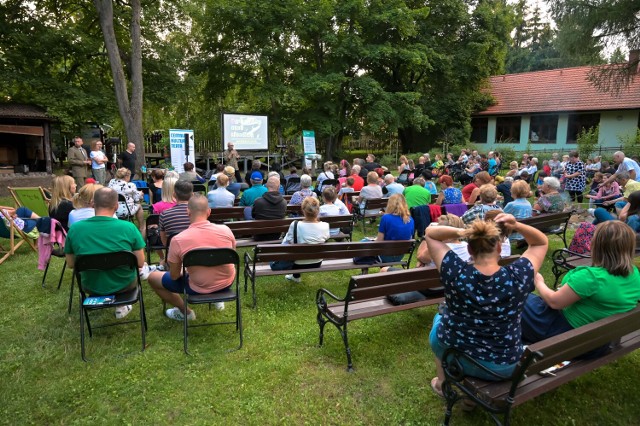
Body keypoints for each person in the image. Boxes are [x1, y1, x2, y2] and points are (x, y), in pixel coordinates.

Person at [427, 213, 548, 395]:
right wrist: (516, 225)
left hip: (455, 352)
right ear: (499, 248)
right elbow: (540, 242)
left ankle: (442, 384)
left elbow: (430, 233)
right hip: (502, 365)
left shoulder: (455, 271)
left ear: (469, 249)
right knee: (442, 320)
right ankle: (466, 396)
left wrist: (464, 230)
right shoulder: (519, 275)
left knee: (439, 319)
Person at [521, 221, 640, 347]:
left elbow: (554, 302)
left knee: (513, 298)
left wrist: (539, 282)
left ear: (597, 245)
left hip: (567, 337)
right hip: (599, 341)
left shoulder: (591, 277)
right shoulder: (634, 273)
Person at [147, 194, 237, 320]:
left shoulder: (178, 239)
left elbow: (174, 276)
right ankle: (217, 298)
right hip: (226, 282)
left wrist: (186, 267)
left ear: (187, 211)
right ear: (209, 211)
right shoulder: (226, 230)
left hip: (198, 286)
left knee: (152, 278)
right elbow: (231, 256)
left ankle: (186, 312)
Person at [64, 187, 145, 319]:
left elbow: (71, 263)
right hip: (125, 284)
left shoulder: (75, 229)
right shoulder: (128, 227)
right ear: (117, 206)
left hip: (91, 286)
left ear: (93, 204)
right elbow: (140, 262)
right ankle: (122, 305)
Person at [270, 197, 329, 283]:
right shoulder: (325, 225)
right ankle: (295, 277)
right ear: (318, 210)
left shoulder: (295, 224)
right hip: (317, 262)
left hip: (297, 264)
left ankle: (296, 276)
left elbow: (286, 243)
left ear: (303, 210)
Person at [375, 194, 415, 262]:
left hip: (385, 254)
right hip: (400, 255)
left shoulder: (386, 218)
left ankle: (364, 270)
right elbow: (409, 237)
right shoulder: (410, 219)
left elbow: (379, 241)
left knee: (364, 243)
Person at [108, 167, 145, 232]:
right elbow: (137, 198)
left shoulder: (111, 183)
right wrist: (141, 194)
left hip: (112, 210)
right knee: (139, 206)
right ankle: (142, 227)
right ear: (127, 176)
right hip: (125, 211)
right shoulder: (130, 185)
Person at [159, 180, 193, 247]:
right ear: (192, 195)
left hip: (174, 251)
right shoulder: (197, 214)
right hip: (193, 251)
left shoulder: (164, 214)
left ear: (174, 195)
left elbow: (164, 241)